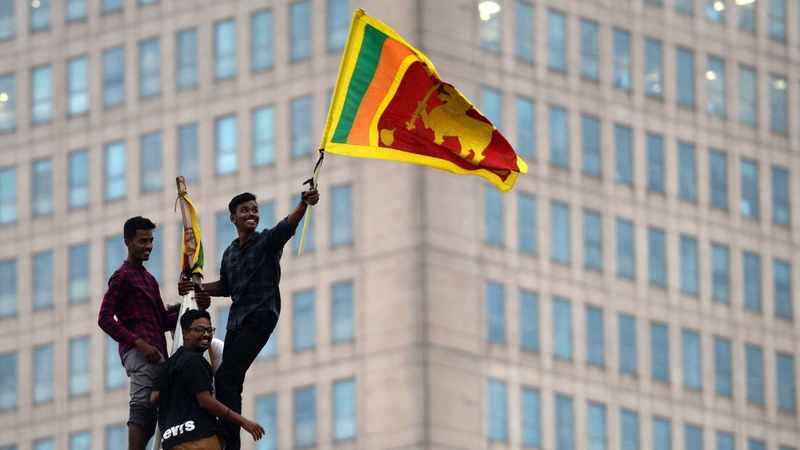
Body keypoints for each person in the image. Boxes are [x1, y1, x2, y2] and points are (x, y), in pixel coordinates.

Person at [178, 188, 320, 450]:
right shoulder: (230, 252)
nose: (251, 214)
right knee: (226, 380)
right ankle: (228, 437)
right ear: (234, 218)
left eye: (255, 209)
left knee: (226, 378)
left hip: (260, 316)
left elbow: (287, 226)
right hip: (237, 321)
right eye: (245, 210)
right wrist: (195, 287)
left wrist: (303, 203)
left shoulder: (266, 241)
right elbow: (226, 286)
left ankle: (231, 444)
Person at [99, 216, 209, 450]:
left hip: (158, 353)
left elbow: (161, 320)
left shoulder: (149, 279)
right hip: (140, 352)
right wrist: (138, 343)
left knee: (156, 408)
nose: (148, 245)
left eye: (150, 240)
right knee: (142, 405)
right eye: (142, 241)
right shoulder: (122, 276)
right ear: (128, 242)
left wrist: (186, 305)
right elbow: (104, 318)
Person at [150, 310, 264, 450]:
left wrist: (180, 389)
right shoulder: (195, 360)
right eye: (199, 330)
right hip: (200, 438)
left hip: (172, 441)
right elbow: (205, 401)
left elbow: (154, 398)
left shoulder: (167, 365)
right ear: (185, 334)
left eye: (209, 330)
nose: (206, 334)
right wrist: (243, 421)